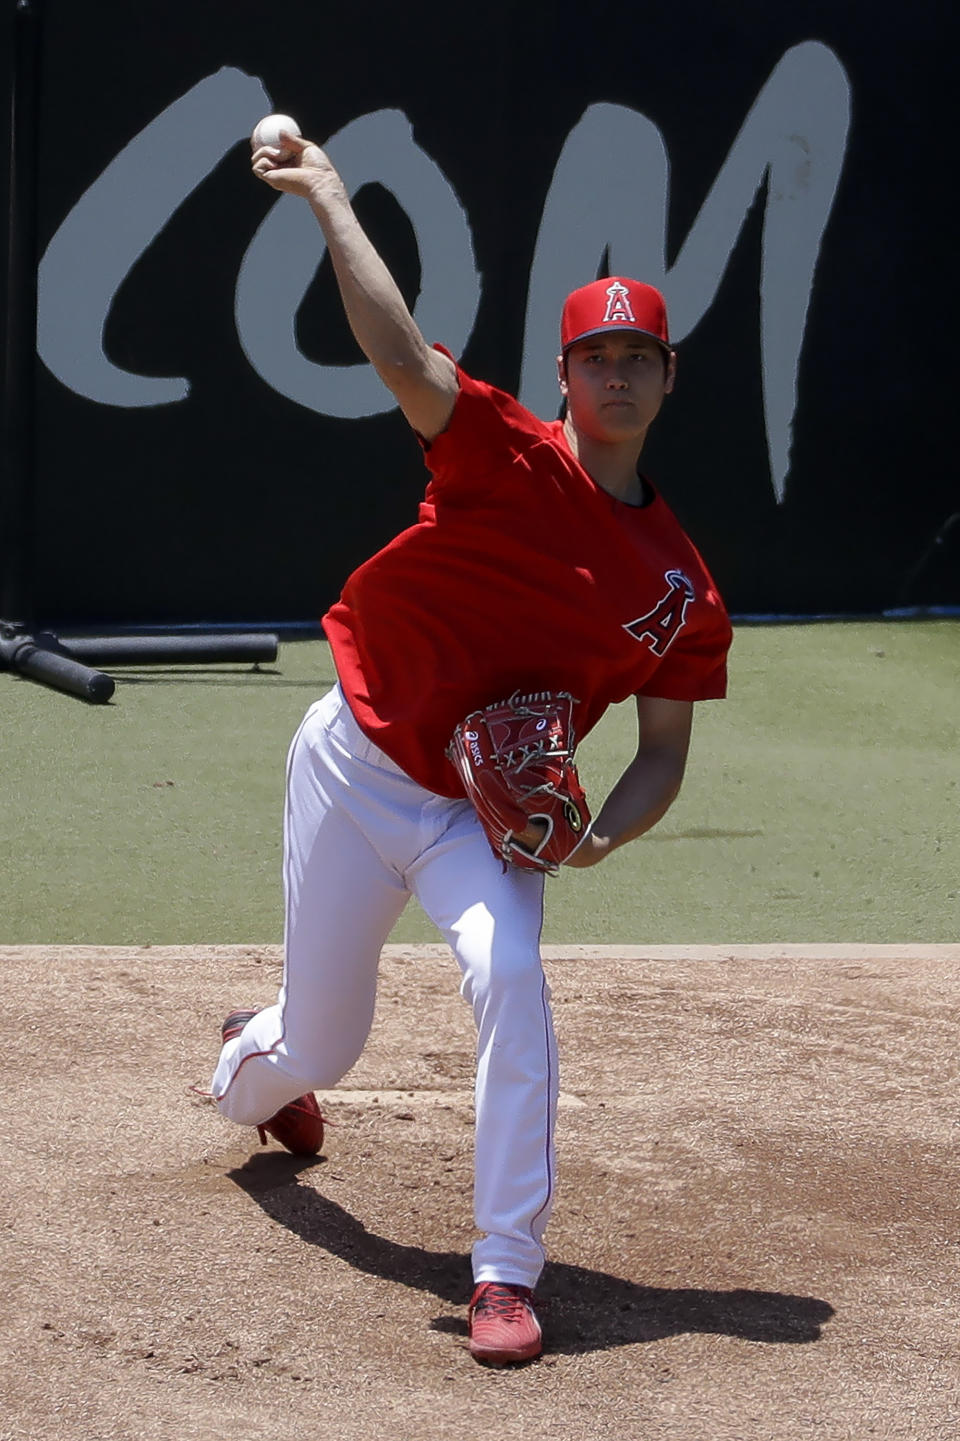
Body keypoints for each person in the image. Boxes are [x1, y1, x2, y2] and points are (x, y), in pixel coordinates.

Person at [210, 126, 732, 1367]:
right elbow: (396, 349)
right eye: (596, 356)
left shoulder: (683, 590)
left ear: (668, 379)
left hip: (479, 817)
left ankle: (503, 1270)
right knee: (316, 1046)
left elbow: (663, 751)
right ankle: (256, 1058)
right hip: (355, 758)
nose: (617, 374)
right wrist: (329, 195)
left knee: (511, 979)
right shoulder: (499, 450)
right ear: (565, 375)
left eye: (639, 358)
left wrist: (598, 834)